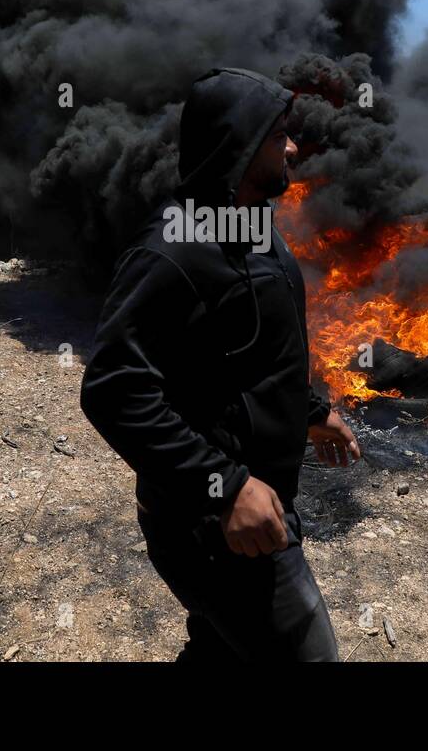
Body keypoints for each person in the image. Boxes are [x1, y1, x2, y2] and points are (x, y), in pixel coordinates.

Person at [81, 68, 361, 662]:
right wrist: (226, 489)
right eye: (278, 133)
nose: (292, 146)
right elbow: (113, 390)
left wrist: (314, 411)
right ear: (239, 140)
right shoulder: (171, 252)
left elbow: (262, 352)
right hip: (209, 528)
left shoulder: (255, 227)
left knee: (223, 649)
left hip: (257, 510)